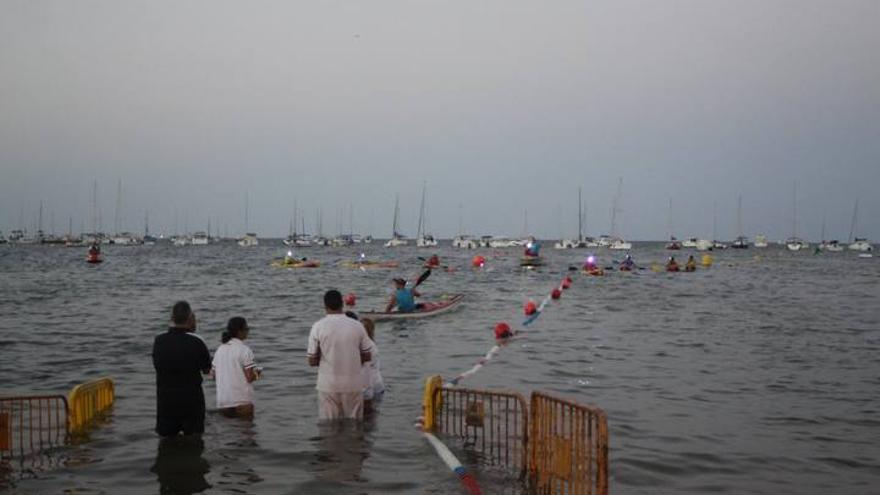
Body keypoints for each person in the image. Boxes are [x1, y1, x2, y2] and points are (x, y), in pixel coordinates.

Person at [307, 290, 373, 421]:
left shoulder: (318, 327)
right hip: (353, 383)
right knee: (354, 426)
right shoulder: (357, 326)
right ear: (342, 304)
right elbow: (367, 356)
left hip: (328, 385)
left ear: (325, 306)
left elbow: (312, 361)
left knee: (329, 427)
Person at [152, 301, 212, 437]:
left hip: (166, 400)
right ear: (190, 318)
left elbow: (158, 366)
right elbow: (207, 370)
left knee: (166, 442)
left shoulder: (159, 341)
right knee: (195, 441)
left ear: (172, 318)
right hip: (191, 401)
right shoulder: (197, 341)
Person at [212, 317, 260, 418]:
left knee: (228, 432)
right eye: (246, 329)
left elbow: (213, 376)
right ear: (239, 331)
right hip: (242, 400)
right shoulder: (244, 350)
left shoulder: (219, 350)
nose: (248, 331)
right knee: (246, 431)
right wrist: (258, 373)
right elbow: (250, 377)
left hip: (223, 401)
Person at [360, 318, 385, 416]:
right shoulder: (371, 343)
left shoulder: (366, 346)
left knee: (368, 416)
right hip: (377, 385)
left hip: (371, 386)